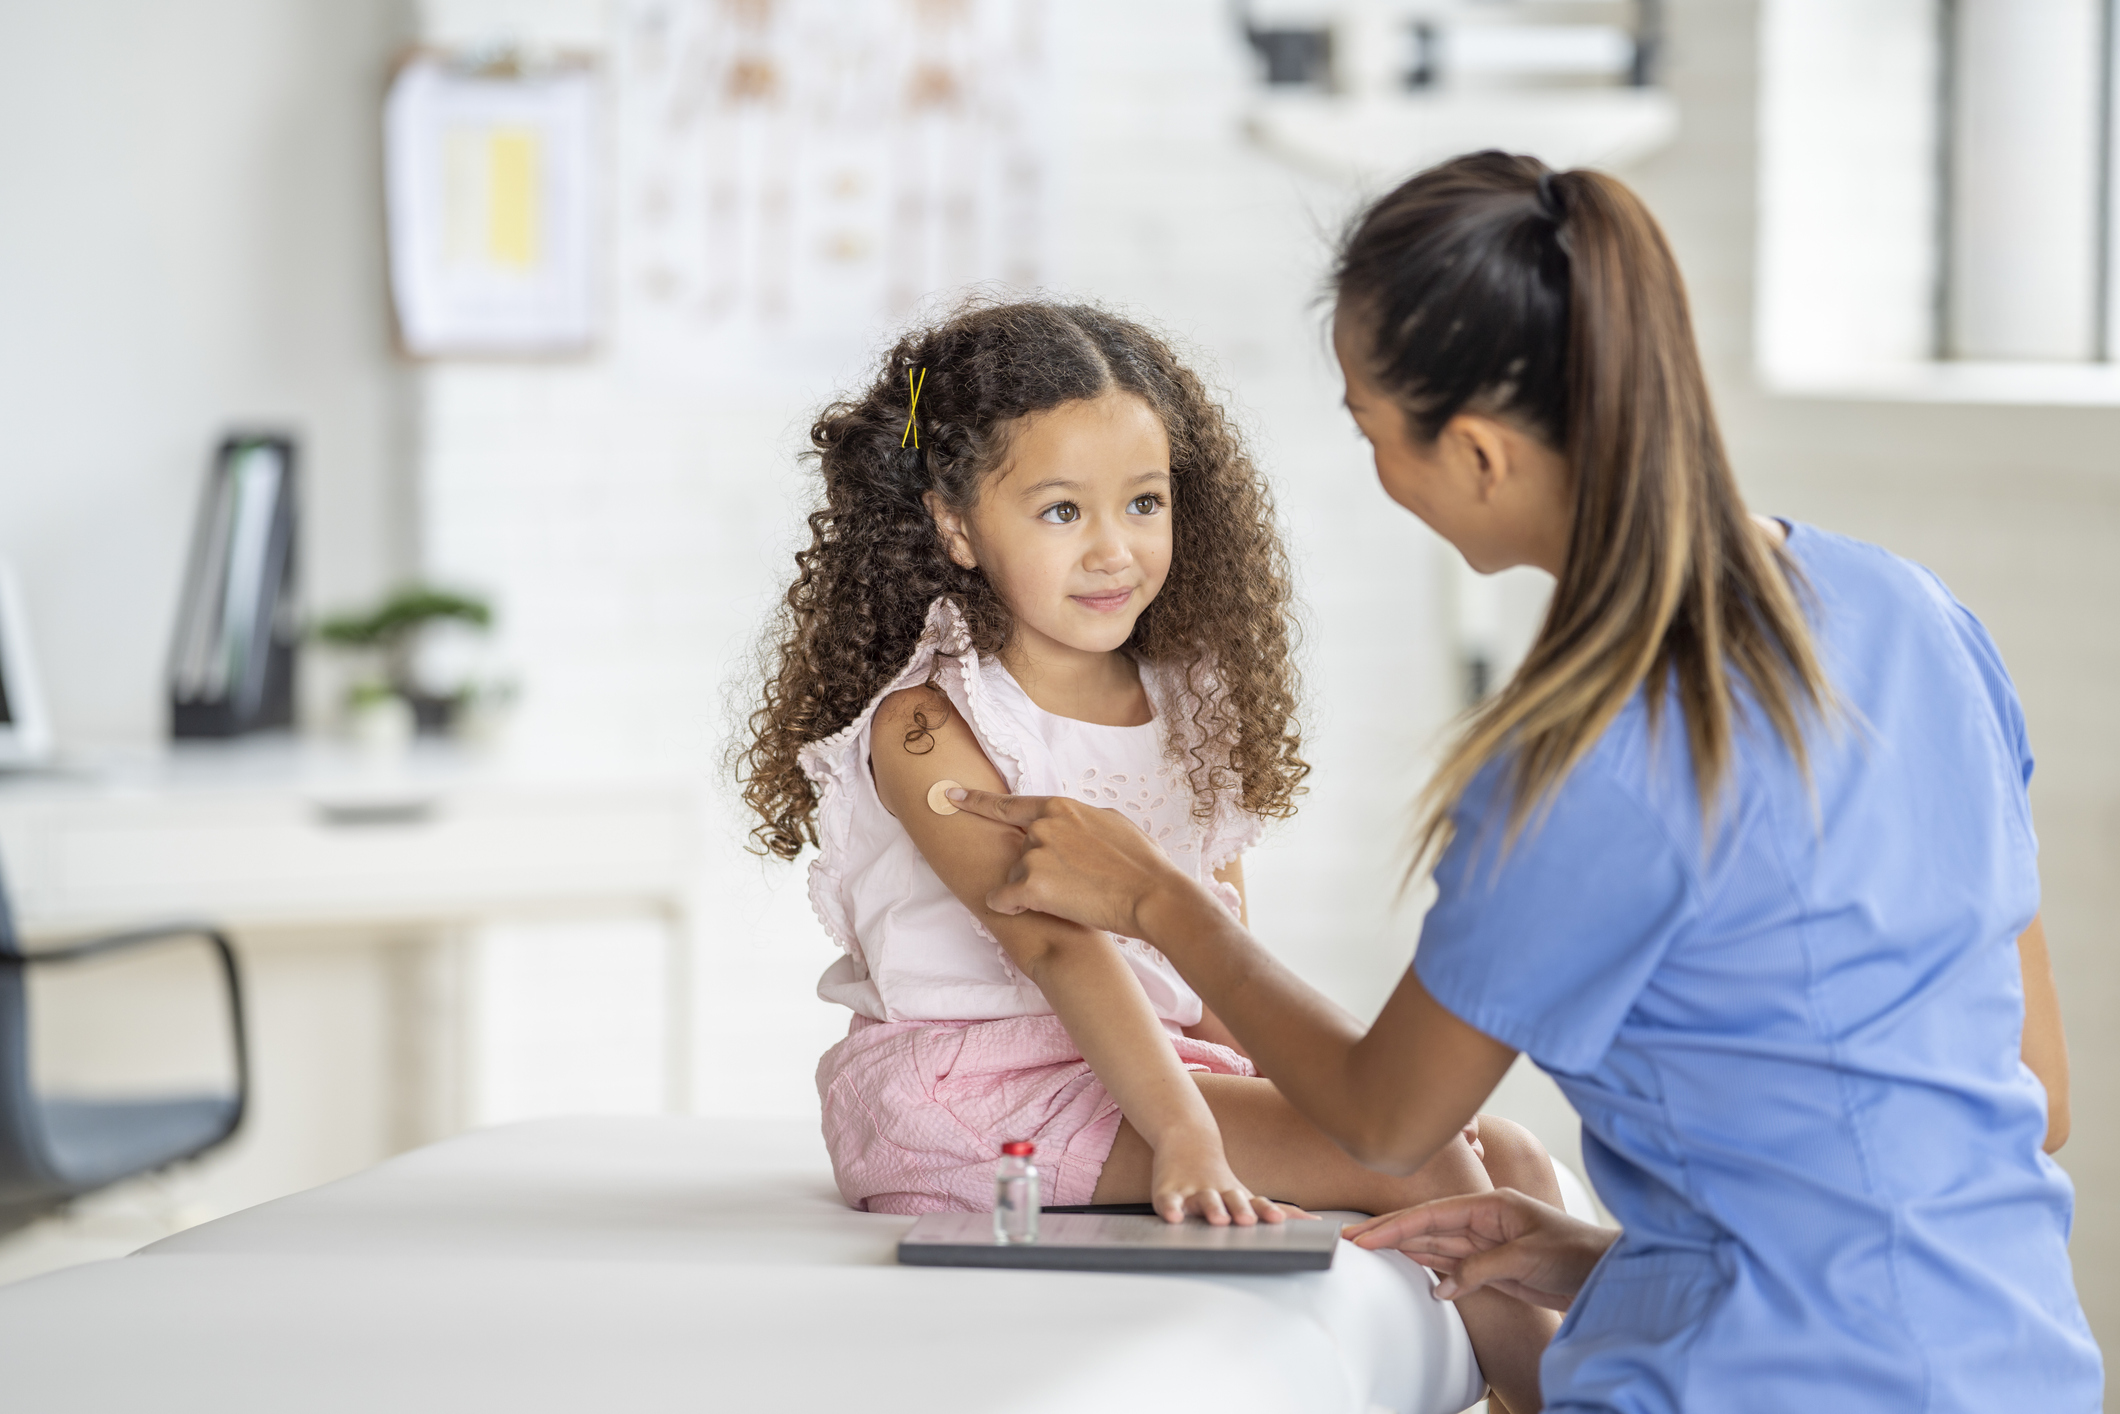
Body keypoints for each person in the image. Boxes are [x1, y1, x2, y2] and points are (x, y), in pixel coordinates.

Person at [944, 157, 2103, 1411]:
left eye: (1370, 428)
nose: (1378, 470)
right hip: (2019, 1363)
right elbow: (2025, 1093)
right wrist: (1622, 1258)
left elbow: (1384, 1121)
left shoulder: (1575, 759)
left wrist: (1161, 902)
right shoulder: (1911, 614)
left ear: (1482, 454)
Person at [736, 299, 1563, 1412]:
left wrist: (1286, 1097)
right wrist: (1186, 1134)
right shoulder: (930, 725)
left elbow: (1217, 959)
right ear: (956, 526)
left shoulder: (1189, 700)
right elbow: (1061, 954)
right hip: (978, 1086)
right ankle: (1573, 1401)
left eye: (1142, 501)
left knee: (1499, 1151)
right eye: (1060, 509)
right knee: (1417, 1165)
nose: (1112, 547)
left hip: (1135, 1062)